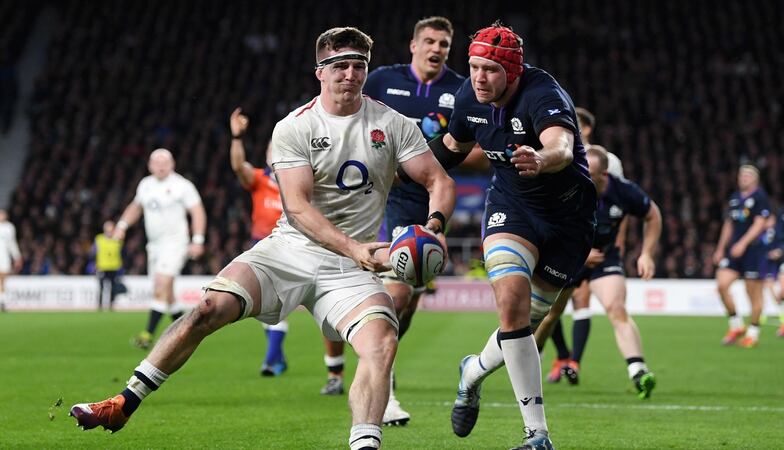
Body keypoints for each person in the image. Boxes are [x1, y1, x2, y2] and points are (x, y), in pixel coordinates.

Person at [70, 27, 455, 450]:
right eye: (340, 65)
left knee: (382, 342)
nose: (350, 74)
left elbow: (437, 179)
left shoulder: (392, 123)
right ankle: (123, 403)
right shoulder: (294, 127)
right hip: (291, 249)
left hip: (350, 268)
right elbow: (298, 208)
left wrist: (433, 226)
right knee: (207, 308)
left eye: (358, 65)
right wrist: (356, 249)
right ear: (319, 72)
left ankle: (365, 444)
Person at [409, 21, 595, 449]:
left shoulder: (543, 93)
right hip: (513, 210)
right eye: (473, 67)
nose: (478, 77)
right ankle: (537, 435)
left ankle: (472, 370)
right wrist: (402, 168)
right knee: (512, 309)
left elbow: (563, 148)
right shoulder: (468, 97)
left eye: (489, 69)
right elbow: (451, 149)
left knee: (527, 321)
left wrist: (541, 157)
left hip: (569, 222)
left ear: (511, 71)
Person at [316, 16, 465, 427]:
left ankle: (375, 360)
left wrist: (428, 162)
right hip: (382, 196)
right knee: (395, 295)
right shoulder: (382, 79)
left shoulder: (460, 91)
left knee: (410, 299)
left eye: (444, 44)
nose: (437, 49)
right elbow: (344, 116)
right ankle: (384, 388)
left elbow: (475, 151)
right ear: (414, 45)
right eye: (430, 41)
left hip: (429, 198)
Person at [549, 146, 662, 398]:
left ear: (604, 174)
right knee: (548, 316)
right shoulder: (567, 185)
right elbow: (549, 224)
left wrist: (646, 253)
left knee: (616, 308)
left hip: (604, 257)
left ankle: (638, 371)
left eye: (590, 172)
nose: (582, 175)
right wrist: (580, 250)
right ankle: (522, 367)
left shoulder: (623, 191)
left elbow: (652, 215)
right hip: (569, 255)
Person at [545, 108, 627, 385]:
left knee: (580, 299)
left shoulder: (608, 161)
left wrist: (619, 240)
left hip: (593, 241)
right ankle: (562, 354)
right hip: (563, 238)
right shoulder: (556, 148)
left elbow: (621, 200)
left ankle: (572, 362)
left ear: (588, 128)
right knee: (550, 301)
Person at [112, 148, 207, 349]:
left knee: (161, 286)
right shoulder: (145, 185)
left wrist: (197, 239)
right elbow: (135, 207)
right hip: (154, 246)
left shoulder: (182, 185)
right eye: (157, 162)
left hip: (175, 244)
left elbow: (197, 211)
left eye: (165, 162)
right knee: (167, 293)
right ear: (150, 165)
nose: (161, 166)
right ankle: (186, 332)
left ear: (172, 164)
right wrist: (121, 226)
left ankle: (147, 335)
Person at [229, 108, 289, 377]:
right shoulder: (261, 180)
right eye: (271, 149)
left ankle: (270, 361)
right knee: (266, 306)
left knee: (276, 303)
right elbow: (238, 167)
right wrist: (236, 138)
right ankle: (278, 358)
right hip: (259, 246)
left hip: (288, 246)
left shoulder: (297, 183)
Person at [713, 165, 772, 348]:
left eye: (748, 175)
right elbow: (729, 224)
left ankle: (753, 334)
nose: (743, 178)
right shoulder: (735, 199)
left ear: (755, 179)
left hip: (753, 251)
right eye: (741, 175)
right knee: (722, 285)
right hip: (734, 251)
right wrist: (721, 248)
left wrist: (743, 243)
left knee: (753, 294)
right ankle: (736, 325)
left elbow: (760, 223)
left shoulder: (760, 197)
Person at [92, 220, 124, 311]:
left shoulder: (117, 240)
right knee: (101, 287)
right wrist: (95, 264)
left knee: (113, 287)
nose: (109, 231)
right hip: (102, 266)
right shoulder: (99, 239)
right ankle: (100, 305)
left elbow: (120, 252)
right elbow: (94, 252)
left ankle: (111, 305)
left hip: (114, 267)